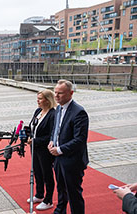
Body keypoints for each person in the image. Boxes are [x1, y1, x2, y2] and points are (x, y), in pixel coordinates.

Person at [48, 79, 89, 214]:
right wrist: (52, 141)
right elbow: (56, 128)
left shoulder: (79, 112)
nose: (56, 96)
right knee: (61, 189)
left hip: (72, 160)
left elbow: (80, 139)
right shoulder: (58, 108)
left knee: (73, 192)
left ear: (71, 93)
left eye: (60, 93)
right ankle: (60, 211)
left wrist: (59, 149)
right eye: (55, 92)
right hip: (58, 158)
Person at [27, 89, 56, 210]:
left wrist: (36, 140)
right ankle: (39, 194)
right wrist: (28, 134)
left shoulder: (53, 115)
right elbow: (32, 126)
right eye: (37, 98)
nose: (37, 101)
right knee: (37, 171)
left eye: (40, 99)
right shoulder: (38, 111)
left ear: (48, 100)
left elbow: (51, 135)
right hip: (34, 147)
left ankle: (48, 200)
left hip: (44, 149)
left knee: (47, 174)